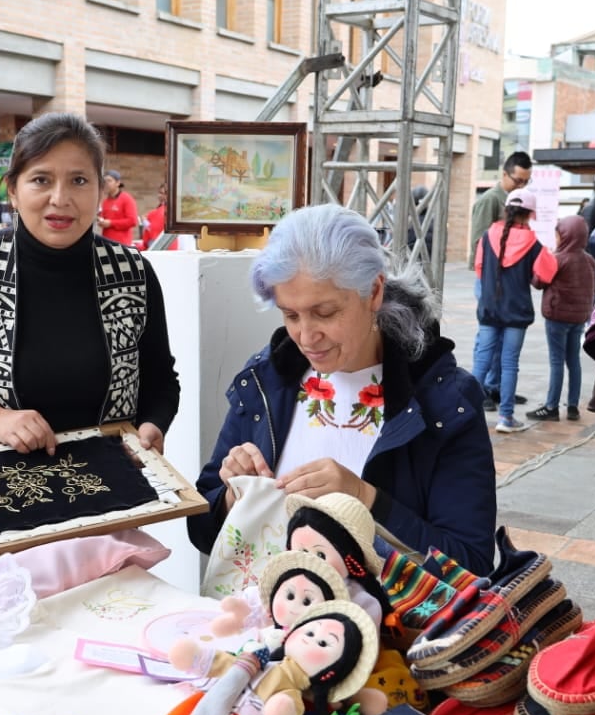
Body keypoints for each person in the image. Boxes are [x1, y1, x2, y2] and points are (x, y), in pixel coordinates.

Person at [187, 203, 498, 574]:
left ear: (374, 292)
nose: (306, 336)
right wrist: (232, 497)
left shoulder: (444, 403)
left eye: (325, 313)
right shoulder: (267, 380)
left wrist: (364, 498)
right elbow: (202, 529)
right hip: (262, 607)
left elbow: (470, 565)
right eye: (290, 315)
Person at [0, 113, 180, 456]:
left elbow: (160, 381)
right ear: (13, 191)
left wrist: (152, 424)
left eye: (79, 180)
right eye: (41, 180)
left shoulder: (132, 273)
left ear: (100, 192)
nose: (60, 198)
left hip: (109, 475)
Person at [474, 192, 557, 434]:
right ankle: (506, 417)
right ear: (530, 214)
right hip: (516, 312)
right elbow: (547, 274)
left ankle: (467, 414)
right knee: (510, 364)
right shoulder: (533, 242)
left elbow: (479, 269)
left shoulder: (487, 235)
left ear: (506, 209)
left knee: (481, 361)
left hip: (489, 309)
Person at [468, 152, 533, 409]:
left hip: (507, 284)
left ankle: (496, 388)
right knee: (487, 341)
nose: (521, 185)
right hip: (489, 282)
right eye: (518, 180)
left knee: (502, 344)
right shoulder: (490, 200)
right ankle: (481, 390)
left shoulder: (515, 200)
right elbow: (478, 242)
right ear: (504, 174)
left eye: (526, 181)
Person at [528, 215, 595, 423]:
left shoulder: (558, 259)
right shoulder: (589, 260)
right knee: (574, 360)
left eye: (558, 235)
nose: (556, 238)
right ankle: (573, 407)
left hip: (557, 317)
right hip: (579, 318)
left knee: (556, 361)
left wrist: (541, 261)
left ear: (566, 236)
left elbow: (538, 282)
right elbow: (594, 287)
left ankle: (552, 407)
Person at [97, 169, 139, 247]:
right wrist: (100, 220)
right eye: (104, 181)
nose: (106, 184)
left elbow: (132, 221)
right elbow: (104, 218)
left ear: (118, 183)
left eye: (109, 181)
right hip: (107, 243)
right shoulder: (105, 201)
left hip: (122, 244)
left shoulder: (127, 199)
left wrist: (111, 223)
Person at [141, 182, 173, 251]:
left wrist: (145, 222)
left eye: (165, 193)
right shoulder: (158, 210)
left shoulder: (170, 211)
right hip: (157, 245)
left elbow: (154, 230)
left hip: (166, 247)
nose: (161, 196)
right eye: (160, 193)